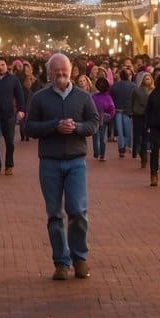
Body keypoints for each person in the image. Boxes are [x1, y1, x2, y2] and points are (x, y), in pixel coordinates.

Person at [23, 53, 100, 280]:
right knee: (54, 214)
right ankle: (61, 261)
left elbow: (94, 122)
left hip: (76, 161)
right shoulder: (40, 98)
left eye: (64, 71)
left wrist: (76, 127)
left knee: (77, 210)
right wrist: (54, 126)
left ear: (71, 72)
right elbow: (30, 128)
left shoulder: (83, 97)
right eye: (56, 71)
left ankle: (80, 257)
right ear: (49, 73)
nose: (60, 75)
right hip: (50, 162)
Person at [110, 69, 137, 158]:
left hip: (118, 110)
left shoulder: (115, 86)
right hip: (128, 111)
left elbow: (111, 98)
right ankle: (127, 145)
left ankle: (121, 148)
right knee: (128, 129)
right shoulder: (133, 85)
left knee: (120, 130)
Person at [130, 72, 153, 168]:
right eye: (145, 78)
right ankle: (138, 152)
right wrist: (131, 112)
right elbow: (131, 101)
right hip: (138, 115)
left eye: (149, 78)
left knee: (145, 137)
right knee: (137, 136)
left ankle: (144, 157)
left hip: (148, 116)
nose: (147, 80)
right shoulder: (136, 90)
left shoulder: (153, 90)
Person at [90, 76, 115, 161]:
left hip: (103, 119)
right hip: (95, 119)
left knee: (101, 137)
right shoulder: (94, 96)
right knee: (95, 136)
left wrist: (109, 116)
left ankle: (102, 154)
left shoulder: (108, 97)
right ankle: (97, 152)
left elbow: (112, 109)